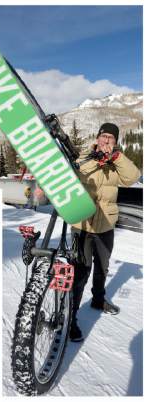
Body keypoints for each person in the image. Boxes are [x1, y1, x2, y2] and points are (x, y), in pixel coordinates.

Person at [69, 123, 140, 342]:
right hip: (82, 223)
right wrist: (96, 158)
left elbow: (133, 177)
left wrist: (115, 157)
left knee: (103, 267)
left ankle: (98, 299)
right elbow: (76, 170)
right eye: (104, 136)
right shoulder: (84, 156)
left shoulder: (117, 163)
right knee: (80, 272)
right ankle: (71, 318)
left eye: (111, 137)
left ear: (115, 141)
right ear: (98, 137)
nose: (106, 140)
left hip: (106, 224)